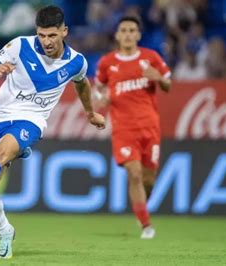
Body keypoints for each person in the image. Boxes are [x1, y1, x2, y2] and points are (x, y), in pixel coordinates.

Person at [0, 5, 106, 259]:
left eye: (52, 35)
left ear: (64, 31)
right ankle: (4, 229)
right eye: (42, 35)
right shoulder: (20, 46)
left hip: (31, 120)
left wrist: (89, 112)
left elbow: (82, 83)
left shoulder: (76, 62)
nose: (47, 41)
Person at [93, 16, 172, 239]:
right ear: (117, 35)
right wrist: (101, 99)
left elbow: (168, 84)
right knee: (134, 173)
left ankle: (140, 208)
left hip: (150, 128)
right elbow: (97, 91)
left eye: (132, 30)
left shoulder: (151, 58)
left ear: (138, 35)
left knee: (148, 179)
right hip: (123, 129)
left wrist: (159, 78)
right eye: (124, 30)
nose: (128, 34)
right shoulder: (107, 63)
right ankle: (146, 225)